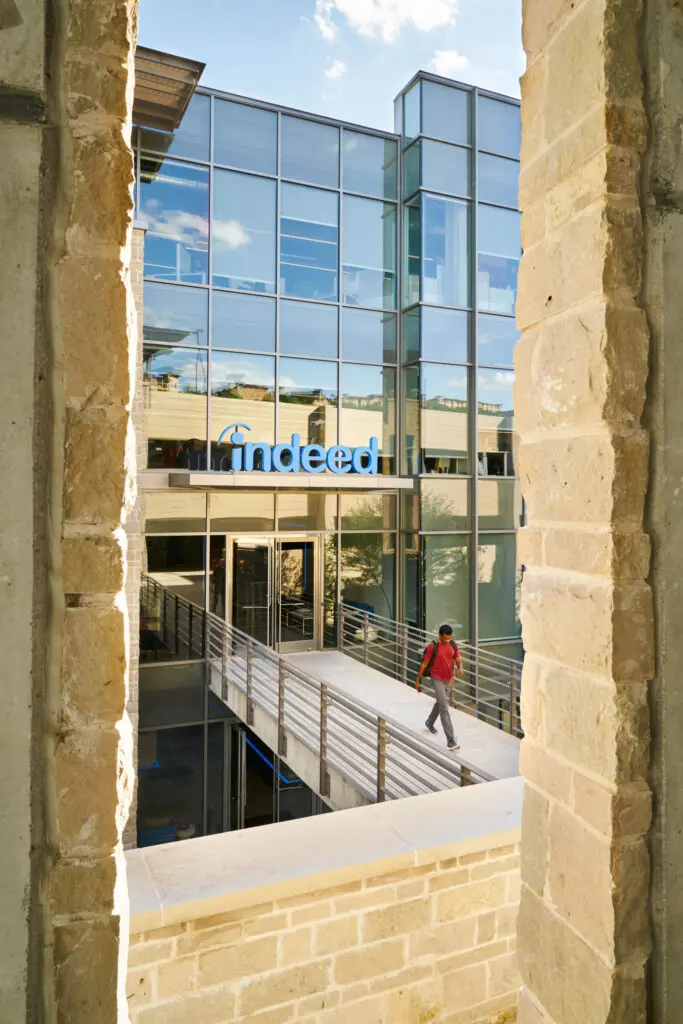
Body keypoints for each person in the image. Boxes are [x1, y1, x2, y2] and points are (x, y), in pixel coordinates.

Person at [415, 624, 462, 750]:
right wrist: (418, 680)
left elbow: (457, 657)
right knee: (444, 708)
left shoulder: (453, 644)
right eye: (445, 638)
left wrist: (460, 668)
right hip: (437, 679)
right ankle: (451, 741)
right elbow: (424, 664)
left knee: (441, 703)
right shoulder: (433, 646)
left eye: (449, 638)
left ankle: (429, 722)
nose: (447, 640)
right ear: (439, 635)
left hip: (449, 679)